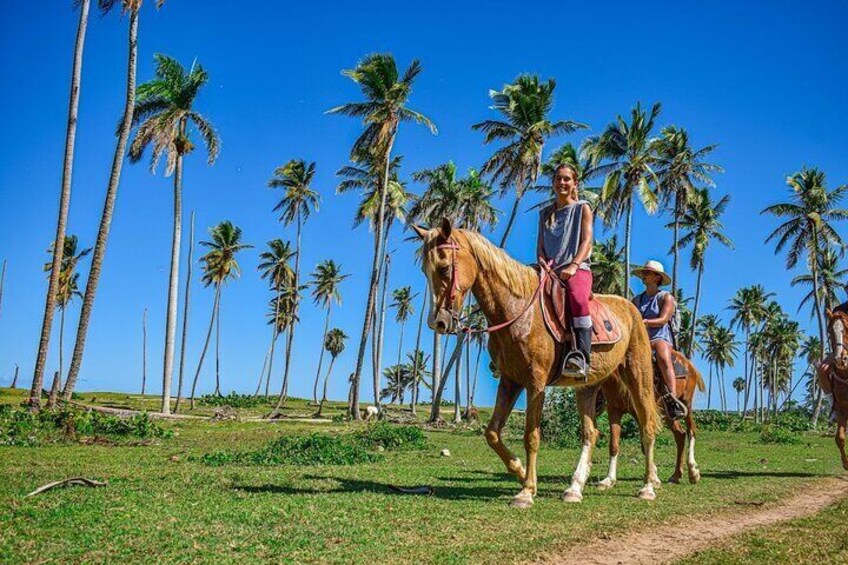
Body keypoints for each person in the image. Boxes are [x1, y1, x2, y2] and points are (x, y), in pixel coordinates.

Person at [537, 164, 594, 378]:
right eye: (558, 179)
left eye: (567, 179)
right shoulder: (544, 214)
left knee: (578, 299)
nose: (562, 183)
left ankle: (581, 356)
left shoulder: (582, 208)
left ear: (575, 183)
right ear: (553, 183)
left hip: (576, 268)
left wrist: (574, 265)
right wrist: (542, 262)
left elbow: (587, 241)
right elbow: (540, 246)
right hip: (549, 270)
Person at [632, 260, 687, 420]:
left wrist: (645, 322)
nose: (644, 275)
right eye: (644, 272)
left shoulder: (666, 297)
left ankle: (673, 397)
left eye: (647, 273)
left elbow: (663, 319)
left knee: (663, 356)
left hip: (660, 336)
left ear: (657, 278)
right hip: (640, 339)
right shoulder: (636, 300)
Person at [818, 284, 848, 394]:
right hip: (840, 349)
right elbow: (834, 333)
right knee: (822, 370)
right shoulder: (839, 310)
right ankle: (833, 405)